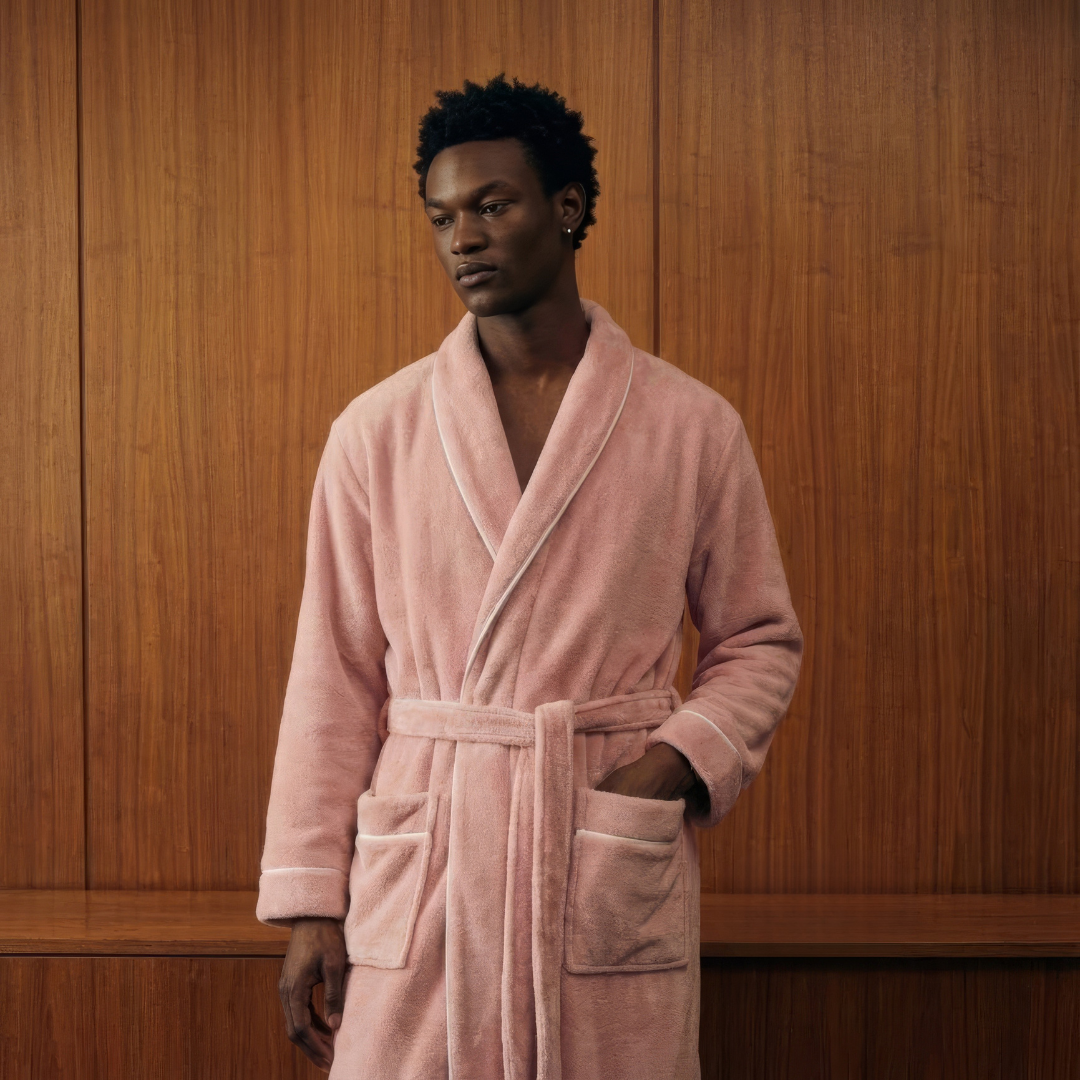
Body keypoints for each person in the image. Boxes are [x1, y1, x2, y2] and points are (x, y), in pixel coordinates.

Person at [257, 74, 802, 1079]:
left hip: (598, 838)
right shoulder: (377, 432)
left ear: (569, 207)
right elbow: (333, 675)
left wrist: (668, 765)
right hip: (429, 857)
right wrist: (310, 903)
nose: (463, 238)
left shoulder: (690, 427)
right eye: (442, 217)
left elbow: (759, 640)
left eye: (493, 205)